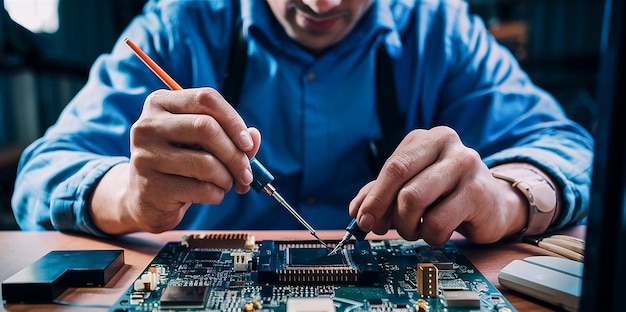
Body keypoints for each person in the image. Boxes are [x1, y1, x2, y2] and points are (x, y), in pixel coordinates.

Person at [12, 0, 593, 247]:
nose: (320, 4)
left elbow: (571, 152)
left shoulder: (440, 29)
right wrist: (131, 196)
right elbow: (42, 175)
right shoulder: (180, 23)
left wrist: (506, 198)